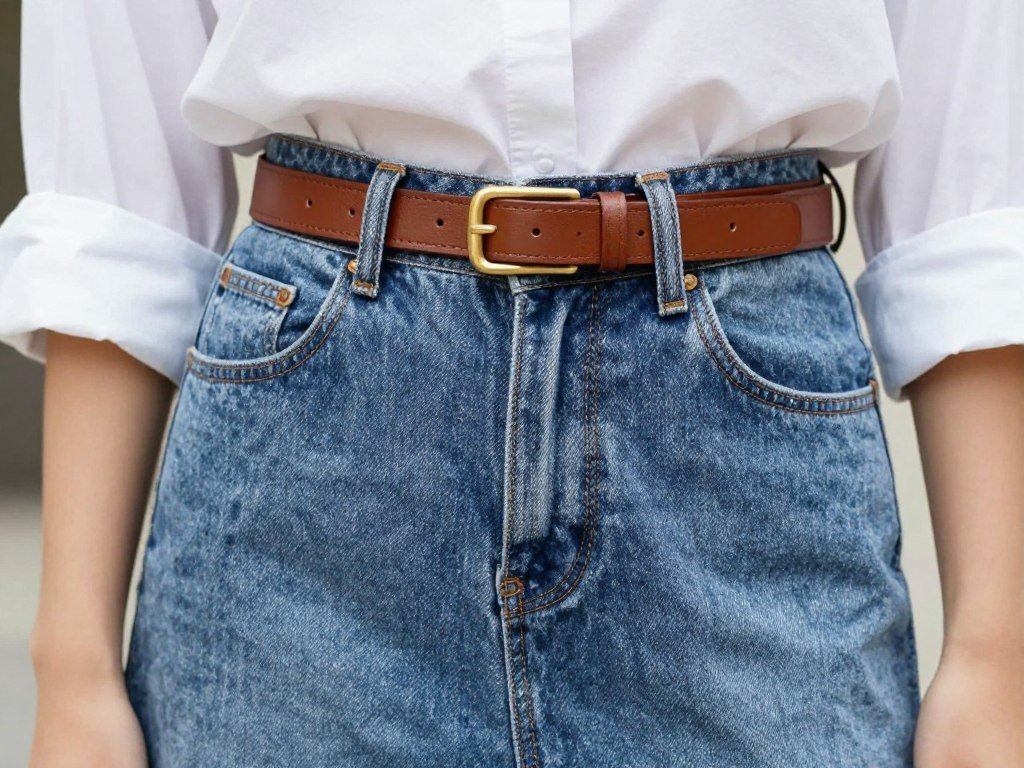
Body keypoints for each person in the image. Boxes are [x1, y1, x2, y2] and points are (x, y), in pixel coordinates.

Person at [2, 2, 1022, 766]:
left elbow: (970, 195)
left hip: (739, 441)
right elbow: (113, 194)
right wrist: (72, 665)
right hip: (314, 451)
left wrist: (997, 657)